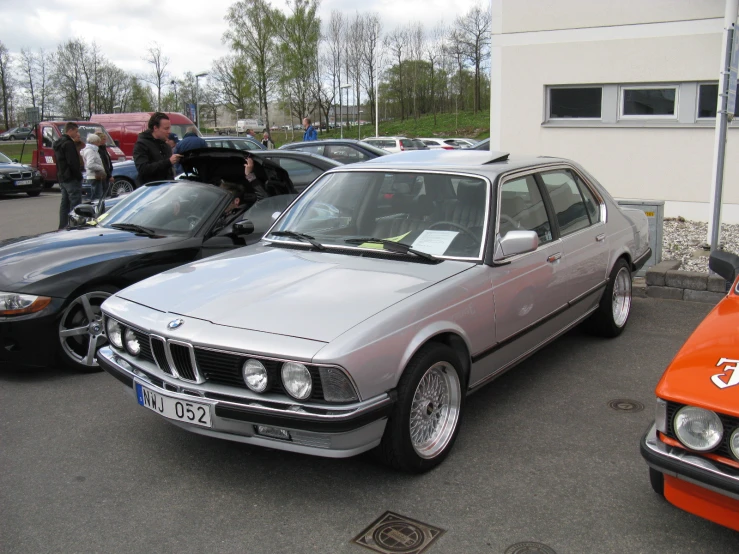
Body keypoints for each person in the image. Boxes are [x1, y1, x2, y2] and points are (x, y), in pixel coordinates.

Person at [133, 112, 181, 186]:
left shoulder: (166, 146)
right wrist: (168, 162)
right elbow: (143, 169)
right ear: (155, 128)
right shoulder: (141, 144)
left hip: (166, 190)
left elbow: (169, 172)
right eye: (166, 128)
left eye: (169, 128)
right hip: (150, 191)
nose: (169, 132)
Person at [54, 122, 83, 228]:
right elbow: (72, 162)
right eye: (76, 131)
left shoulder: (58, 143)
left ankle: (62, 225)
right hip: (71, 177)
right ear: (70, 131)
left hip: (62, 177)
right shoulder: (69, 144)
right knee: (75, 203)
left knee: (64, 203)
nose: (77, 133)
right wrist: (78, 175)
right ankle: (74, 225)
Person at [81, 133, 105, 201]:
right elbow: (90, 164)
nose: (99, 143)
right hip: (93, 176)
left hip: (95, 176)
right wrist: (101, 168)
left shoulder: (93, 150)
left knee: (97, 196)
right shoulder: (90, 151)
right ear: (94, 142)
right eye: (98, 142)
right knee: (97, 197)